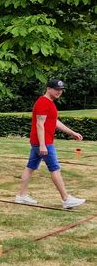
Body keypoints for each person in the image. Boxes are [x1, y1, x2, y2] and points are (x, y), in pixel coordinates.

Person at [15, 79, 85, 209]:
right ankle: (66, 199)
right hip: (44, 142)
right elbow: (39, 124)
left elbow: (54, 122)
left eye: (61, 90)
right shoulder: (42, 102)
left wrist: (72, 132)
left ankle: (21, 195)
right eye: (57, 89)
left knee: (30, 167)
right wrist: (42, 145)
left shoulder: (50, 103)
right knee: (55, 168)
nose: (59, 92)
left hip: (41, 142)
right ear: (48, 89)